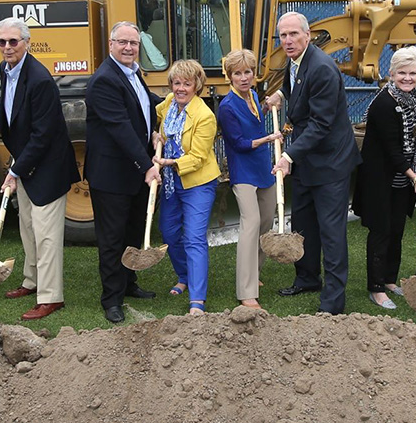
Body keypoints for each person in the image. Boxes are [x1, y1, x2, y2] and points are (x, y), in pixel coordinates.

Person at [263, 12, 360, 315]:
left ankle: (333, 301)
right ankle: (307, 278)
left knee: (331, 230)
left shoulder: (322, 68)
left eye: (294, 34)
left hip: (330, 162)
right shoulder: (297, 62)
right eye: (283, 36)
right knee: (303, 223)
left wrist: (288, 156)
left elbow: (320, 123)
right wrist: (281, 93)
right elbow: (297, 87)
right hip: (307, 157)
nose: (288, 40)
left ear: (308, 35)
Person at [0, 18, 80, 322]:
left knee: (46, 236)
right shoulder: (6, 71)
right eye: (2, 42)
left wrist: (16, 169)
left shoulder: (41, 79)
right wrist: (18, 165)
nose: (7, 47)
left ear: (27, 43)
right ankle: (31, 282)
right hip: (27, 164)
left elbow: (43, 134)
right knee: (28, 228)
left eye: (13, 41)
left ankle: (50, 297)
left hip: (47, 168)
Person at [84, 22, 162, 324]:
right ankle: (112, 299)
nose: (129, 48)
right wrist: (147, 166)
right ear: (111, 44)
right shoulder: (104, 80)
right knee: (113, 238)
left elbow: (145, 107)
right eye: (123, 42)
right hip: (112, 174)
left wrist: (178, 103)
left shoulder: (132, 72)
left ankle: (129, 285)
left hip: (135, 170)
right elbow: (120, 127)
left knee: (132, 231)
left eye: (133, 43)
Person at [354, 47, 416, 310]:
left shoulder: (414, 99)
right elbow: (391, 150)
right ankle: (375, 288)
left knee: (396, 230)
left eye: (413, 73)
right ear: (392, 74)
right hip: (380, 179)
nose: (407, 78)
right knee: (381, 232)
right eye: (402, 73)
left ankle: (389, 279)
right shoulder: (384, 103)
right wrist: (414, 177)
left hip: (401, 181)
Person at [218, 48, 281, 310]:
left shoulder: (253, 96)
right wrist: (268, 138)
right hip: (243, 172)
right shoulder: (227, 107)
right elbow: (239, 143)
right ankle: (246, 291)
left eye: (248, 72)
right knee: (251, 222)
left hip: (263, 168)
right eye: (237, 73)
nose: (243, 78)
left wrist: (266, 107)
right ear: (229, 76)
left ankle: (254, 273)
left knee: (266, 220)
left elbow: (254, 122)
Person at [155, 59, 219, 315]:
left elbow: (198, 158)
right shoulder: (169, 103)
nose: (180, 88)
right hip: (172, 182)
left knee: (193, 237)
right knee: (169, 232)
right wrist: (154, 135)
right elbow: (157, 116)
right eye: (176, 83)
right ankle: (184, 276)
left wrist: (167, 162)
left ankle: (197, 299)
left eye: (187, 83)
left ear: (197, 86)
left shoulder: (205, 116)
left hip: (198, 183)